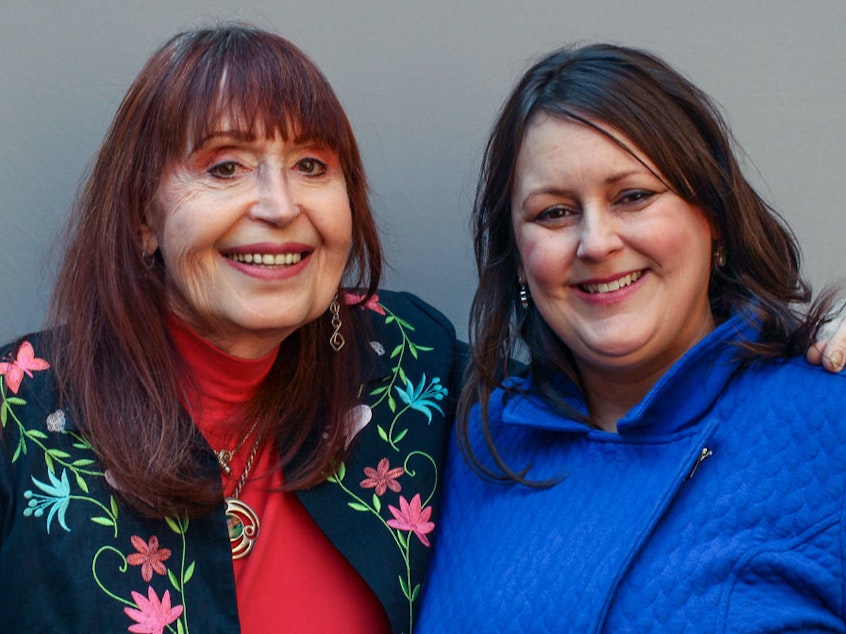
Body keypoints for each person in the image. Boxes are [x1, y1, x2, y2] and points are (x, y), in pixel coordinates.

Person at [0, 25, 461, 633]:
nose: (279, 205)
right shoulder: (18, 418)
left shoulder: (409, 358)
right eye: (224, 168)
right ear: (144, 217)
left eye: (311, 165)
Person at [417, 43, 846, 632]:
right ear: (518, 258)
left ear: (712, 215)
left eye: (634, 197)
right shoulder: (471, 449)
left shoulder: (828, 419)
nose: (595, 243)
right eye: (554, 213)